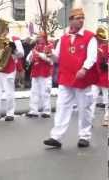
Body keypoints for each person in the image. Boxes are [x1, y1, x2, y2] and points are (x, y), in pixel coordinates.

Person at [43, 8, 98, 148]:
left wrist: (85, 68)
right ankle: (56, 137)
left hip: (82, 79)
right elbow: (58, 58)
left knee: (84, 107)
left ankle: (84, 136)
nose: (81, 20)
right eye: (78, 17)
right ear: (71, 20)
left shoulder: (89, 37)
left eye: (82, 18)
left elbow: (92, 56)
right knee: (62, 107)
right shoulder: (64, 38)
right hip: (66, 77)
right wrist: (50, 54)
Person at [0, 19, 24, 121]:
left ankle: (10, 113)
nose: (1, 31)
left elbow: (21, 54)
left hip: (9, 69)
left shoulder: (14, 39)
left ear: (7, 30)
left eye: (3, 29)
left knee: (8, 92)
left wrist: (14, 49)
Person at [26, 32, 54, 118]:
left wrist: (39, 54)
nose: (38, 38)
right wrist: (29, 59)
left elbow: (50, 60)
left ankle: (46, 111)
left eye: (40, 37)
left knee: (45, 92)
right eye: (37, 37)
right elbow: (28, 58)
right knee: (34, 92)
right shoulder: (35, 47)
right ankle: (33, 110)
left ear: (44, 37)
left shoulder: (49, 46)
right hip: (36, 72)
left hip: (45, 73)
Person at [91, 26, 108, 126]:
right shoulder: (94, 47)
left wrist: (106, 64)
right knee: (92, 98)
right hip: (95, 76)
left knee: (107, 99)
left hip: (106, 77)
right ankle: (90, 119)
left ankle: (107, 118)